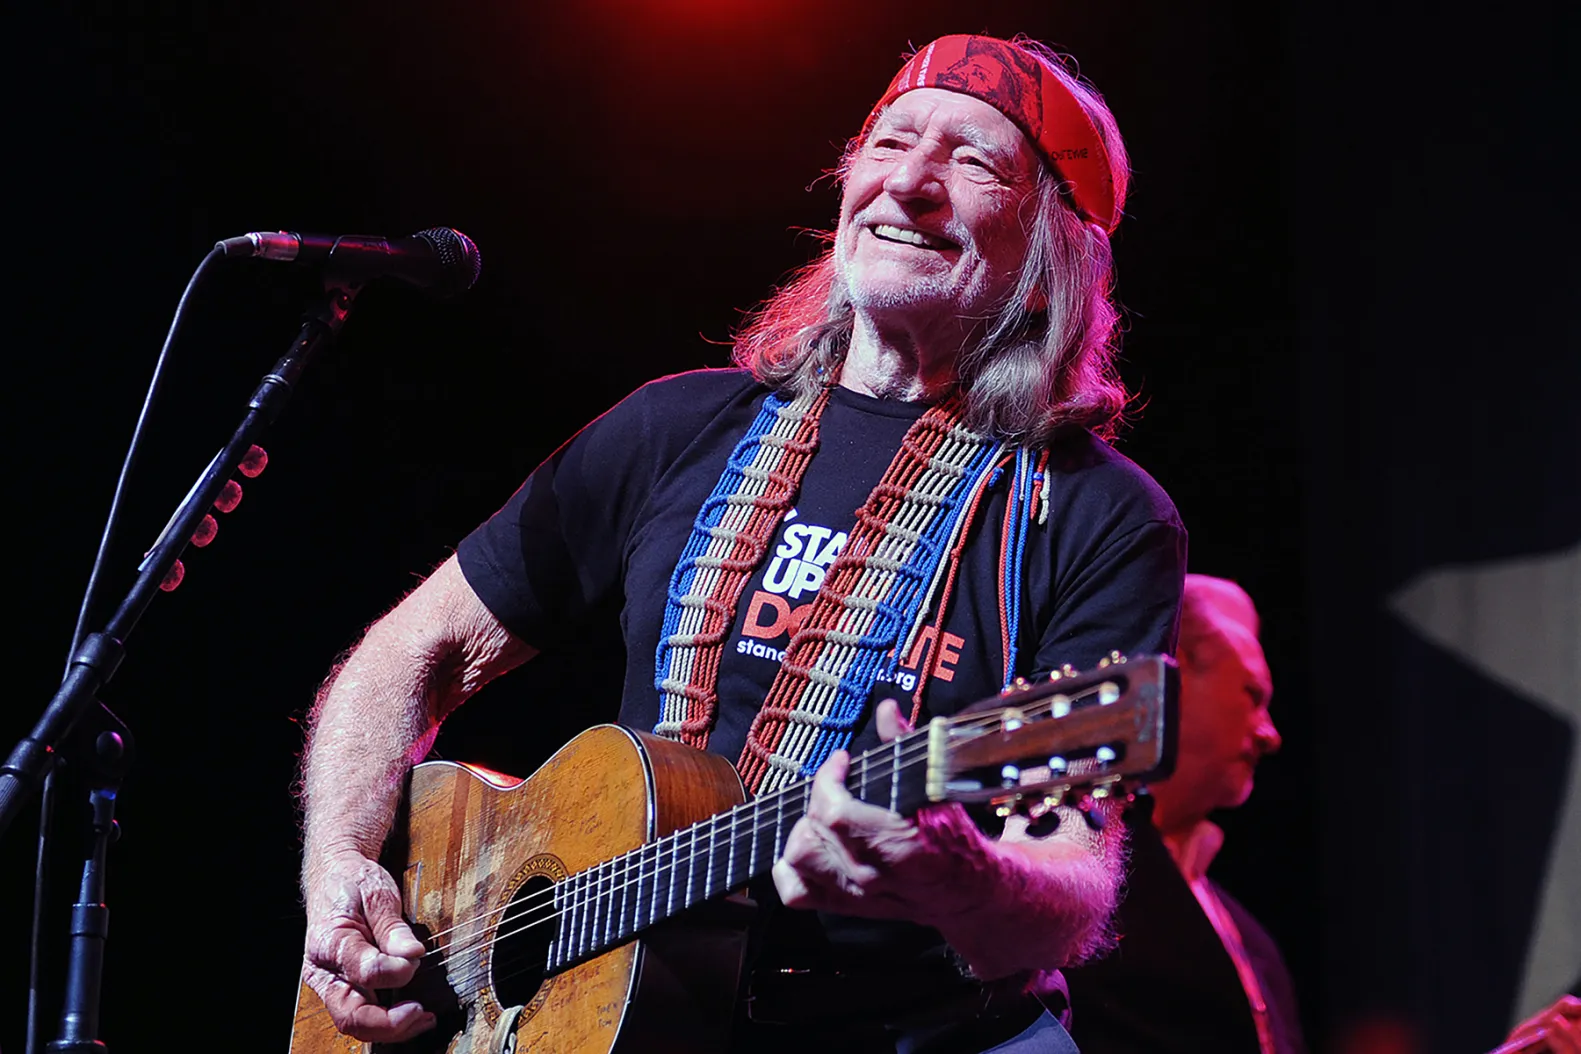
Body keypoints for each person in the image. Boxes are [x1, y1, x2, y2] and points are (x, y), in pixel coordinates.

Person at [297, 34, 1186, 1054]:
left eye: (974, 162)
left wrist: (965, 880)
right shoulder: (674, 427)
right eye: (889, 143)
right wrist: (341, 869)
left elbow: (1072, 875)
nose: (909, 182)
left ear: (1053, 255)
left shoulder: (1099, 514)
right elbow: (410, 653)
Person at [1064, 573, 1305, 1053]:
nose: (1270, 734)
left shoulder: (1250, 938)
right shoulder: (1069, 876)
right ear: (1173, 674)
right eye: (1253, 695)